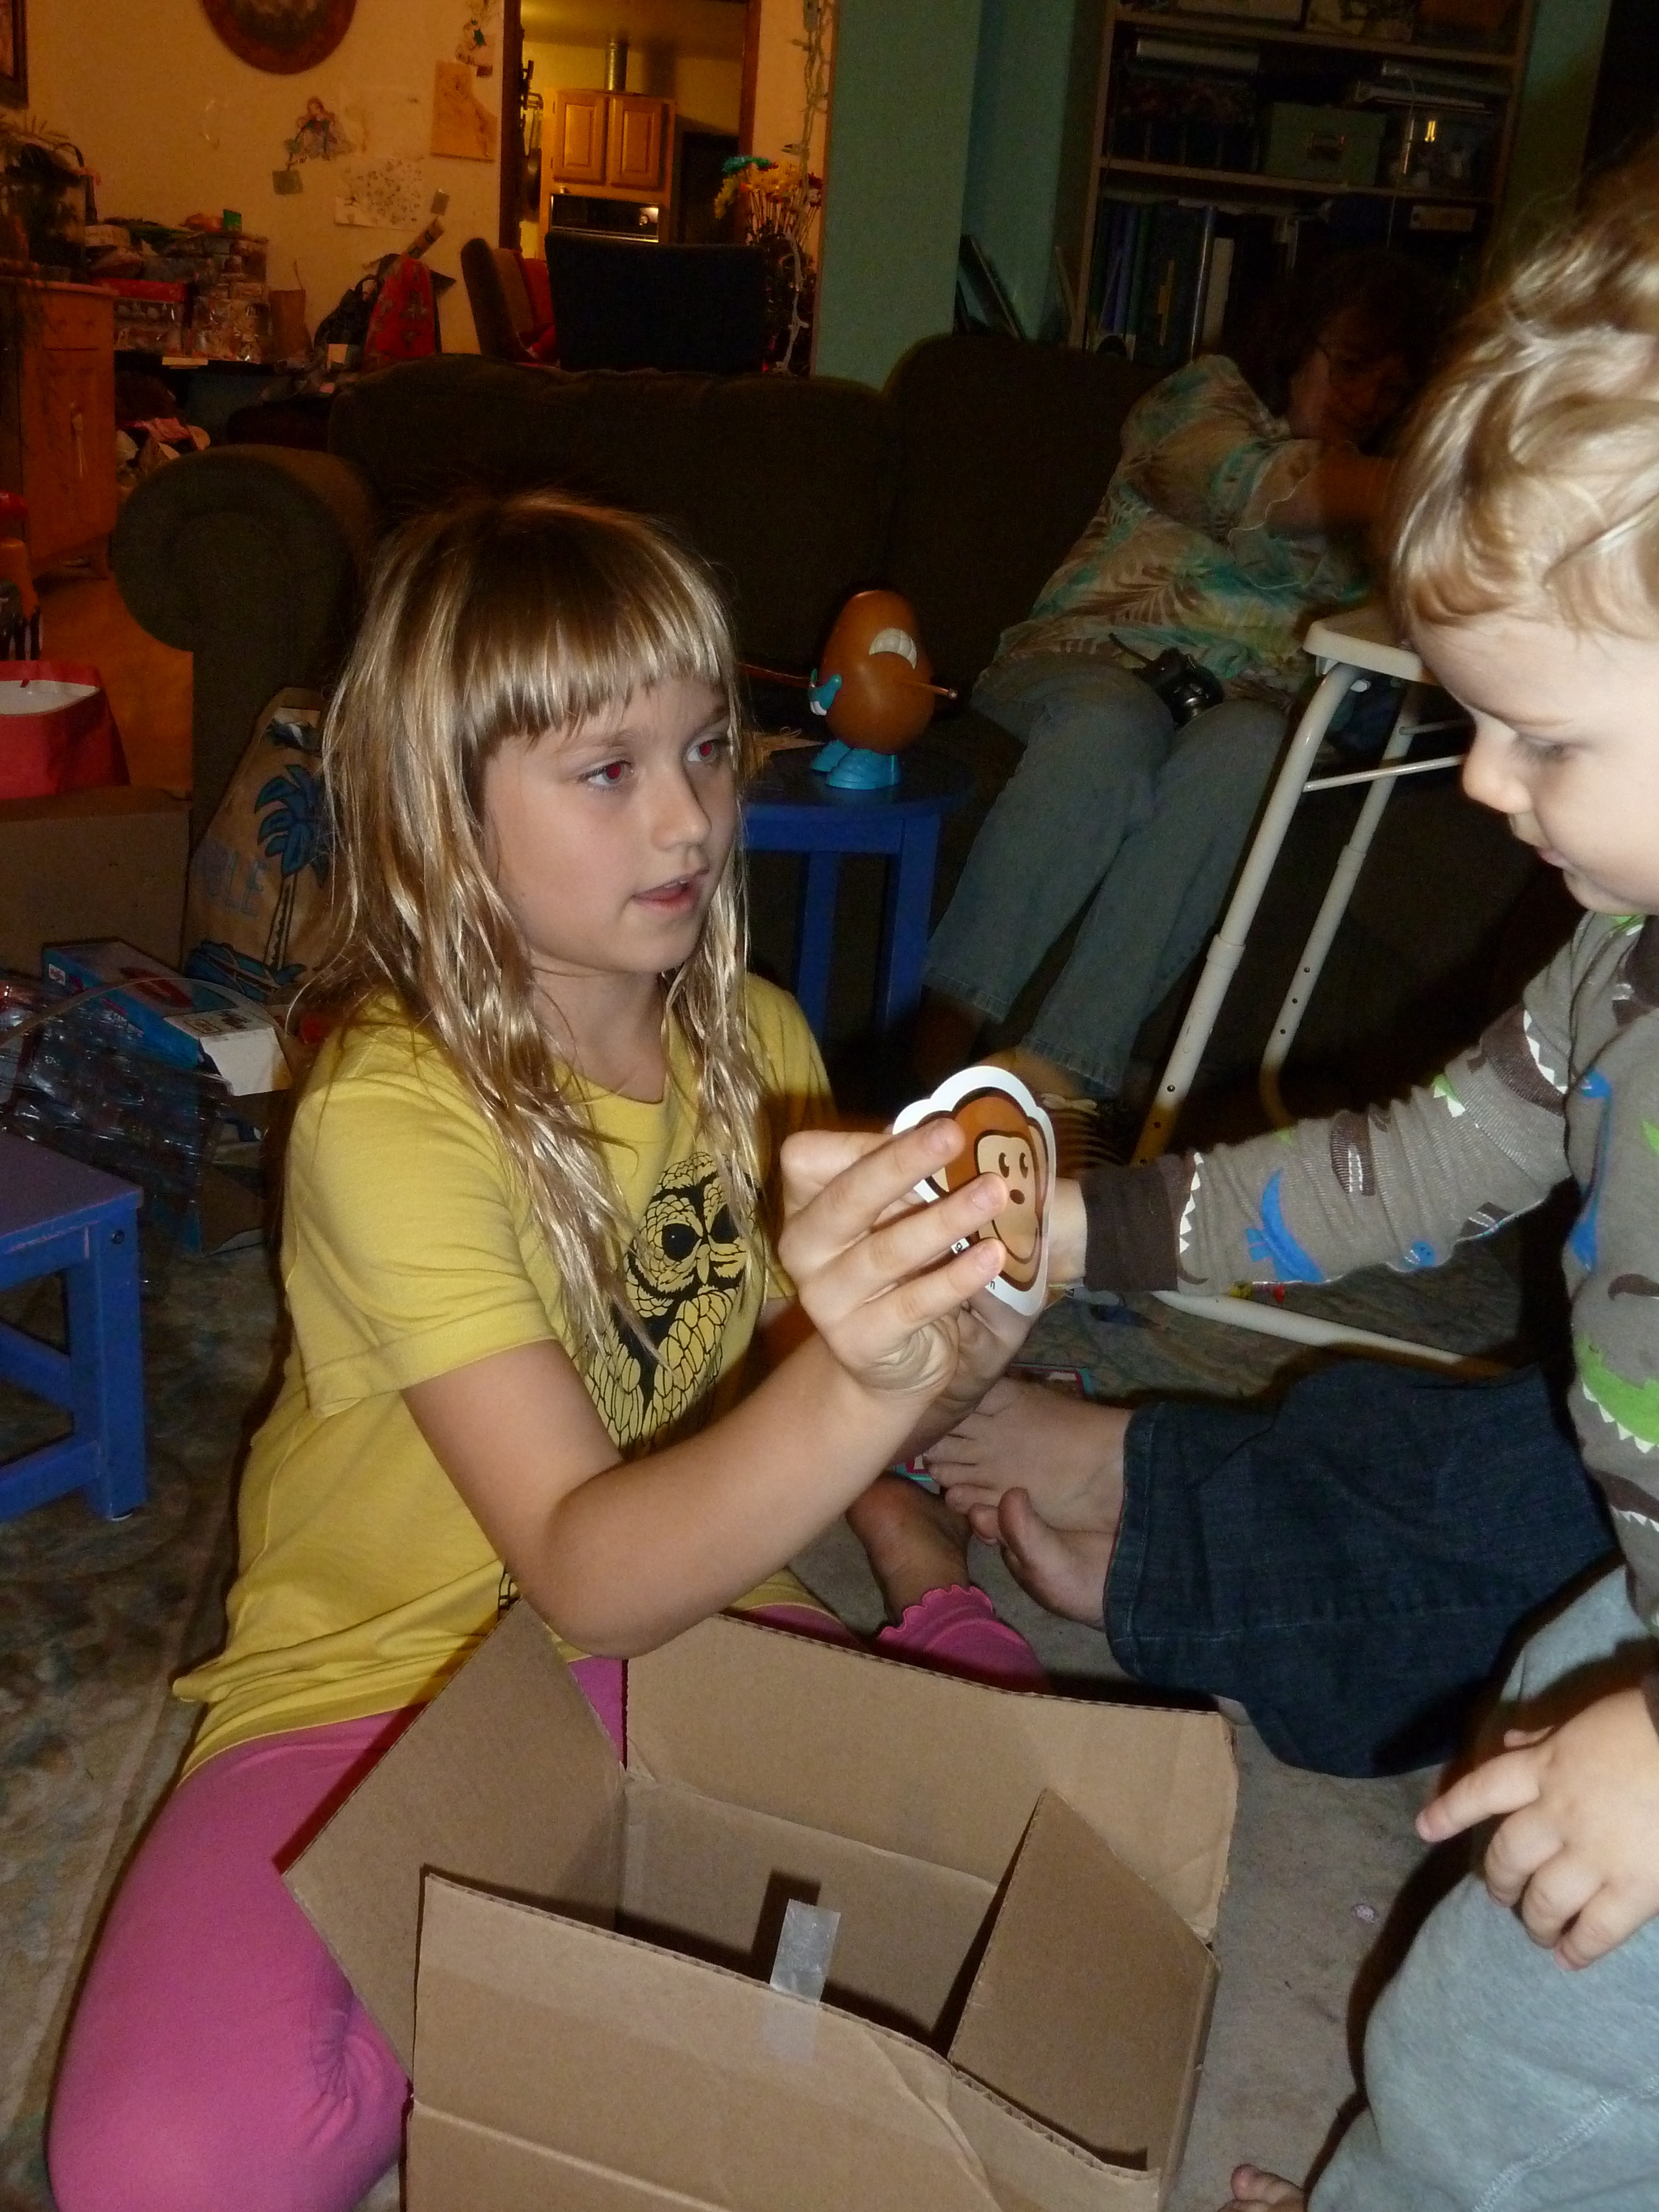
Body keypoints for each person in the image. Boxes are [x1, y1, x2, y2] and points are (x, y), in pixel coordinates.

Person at [45, 493, 1045, 2212]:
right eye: (607, 769)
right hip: (385, 1664)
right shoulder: (388, 1107)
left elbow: (778, 1389)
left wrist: (956, 1333)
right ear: (446, 811)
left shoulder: (764, 1046)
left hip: (696, 1615)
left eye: (709, 747)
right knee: (164, 2173)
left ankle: (922, 1580)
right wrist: (869, 1386)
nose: (690, 816)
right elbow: (584, 1569)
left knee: (1015, 1863)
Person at [942, 157, 1659, 2210]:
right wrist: (1081, 1229)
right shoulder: (1623, 967)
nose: (1483, 783)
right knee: (1499, 1864)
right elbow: (1406, 1170)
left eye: (1542, 736)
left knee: (1486, 2083)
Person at [916, 250, 1447, 1112]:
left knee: (1253, 747)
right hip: (1085, 663)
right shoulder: (1203, 399)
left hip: (1239, 709)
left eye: (1390, 390)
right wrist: (1436, 481)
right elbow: (1256, 490)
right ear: (1296, 340)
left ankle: (1061, 1084)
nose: (1364, 401)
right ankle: (936, 1046)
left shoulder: (1382, 508)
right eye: (1351, 367)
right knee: (1110, 726)